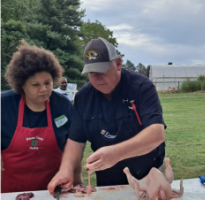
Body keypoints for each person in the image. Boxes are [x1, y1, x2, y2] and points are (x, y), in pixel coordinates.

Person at [48, 37, 166, 193]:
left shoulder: (141, 87)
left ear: (118, 64)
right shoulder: (84, 96)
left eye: (102, 71)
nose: (97, 78)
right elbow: (76, 140)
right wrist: (66, 169)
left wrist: (116, 153)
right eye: (91, 73)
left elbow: (156, 134)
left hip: (148, 175)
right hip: (107, 178)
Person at [1, 41, 82, 193]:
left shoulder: (63, 105)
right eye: (35, 85)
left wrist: (78, 180)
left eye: (48, 83)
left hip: (52, 190)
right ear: (21, 84)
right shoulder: (4, 104)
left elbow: (73, 144)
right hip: (10, 192)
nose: (44, 89)